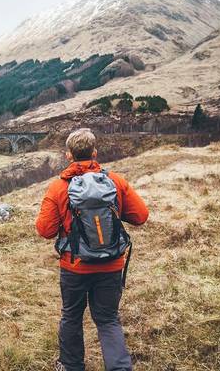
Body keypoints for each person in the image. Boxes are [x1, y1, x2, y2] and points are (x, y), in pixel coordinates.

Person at [36, 128, 149, 371]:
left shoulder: (58, 188)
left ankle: (71, 366)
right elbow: (141, 216)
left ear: (68, 155)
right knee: (108, 320)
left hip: (74, 267)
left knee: (71, 317)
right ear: (95, 153)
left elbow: (45, 230)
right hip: (111, 265)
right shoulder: (115, 181)